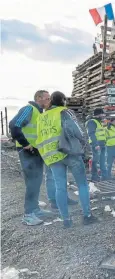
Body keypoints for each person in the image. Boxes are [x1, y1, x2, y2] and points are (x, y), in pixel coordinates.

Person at [9, 90, 75, 226]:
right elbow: (14, 125)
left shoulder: (40, 113)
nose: (50, 100)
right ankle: (28, 215)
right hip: (27, 151)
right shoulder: (29, 109)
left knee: (37, 181)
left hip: (36, 152)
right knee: (32, 182)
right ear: (39, 98)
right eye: (47, 98)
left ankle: (35, 209)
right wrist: (25, 143)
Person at [36, 91, 98, 228]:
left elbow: (39, 138)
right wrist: (85, 147)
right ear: (63, 101)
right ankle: (87, 216)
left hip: (52, 156)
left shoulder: (41, 117)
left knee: (60, 187)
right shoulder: (64, 112)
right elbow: (77, 131)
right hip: (69, 152)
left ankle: (66, 220)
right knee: (82, 184)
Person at [86, 108, 108, 181]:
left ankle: (104, 177)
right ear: (98, 114)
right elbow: (91, 134)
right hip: (97, 144)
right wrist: (95, 144)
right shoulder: (92, 122)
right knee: (96, 161)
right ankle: (94, 177)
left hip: (102, 144)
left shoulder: (99, 122)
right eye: (102, 114)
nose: (103, 115)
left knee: (102, 161)